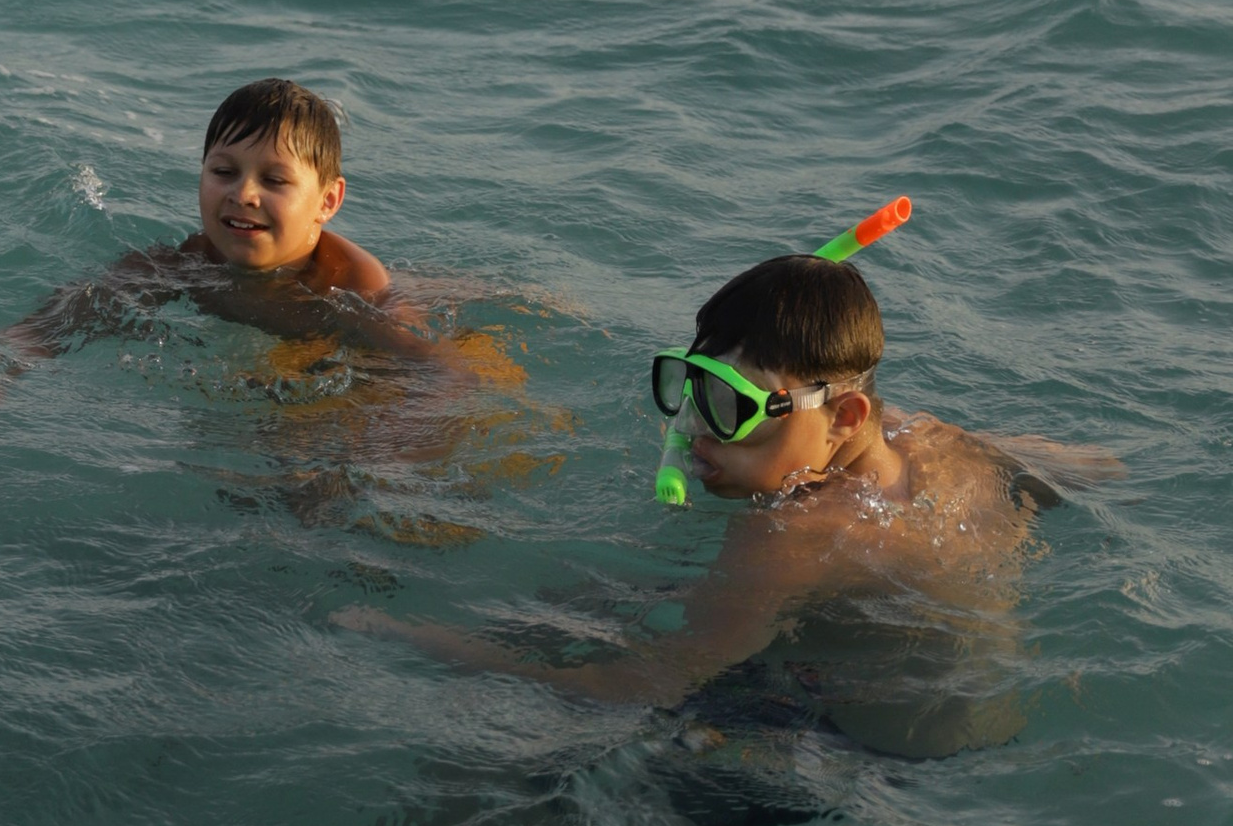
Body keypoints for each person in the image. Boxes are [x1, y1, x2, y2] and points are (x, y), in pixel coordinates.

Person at [349, 243, 1114, 762]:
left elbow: (633, 690)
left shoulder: (791, 537)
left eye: (731, 406)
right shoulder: (943, 443)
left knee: (511, 773)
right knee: (580, 604)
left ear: (844, 419)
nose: (692, 430)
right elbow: (1094, 469)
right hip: (974, 716)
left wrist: (416, 639)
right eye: (691, 386)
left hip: (878, 759)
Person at [0, 75, 413, 455]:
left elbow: (427, 376)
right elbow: (44, 332)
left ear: (328, 201)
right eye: (224, 171)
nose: (242, 194)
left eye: (274, 181)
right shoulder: (179, 266)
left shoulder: (351, 285)